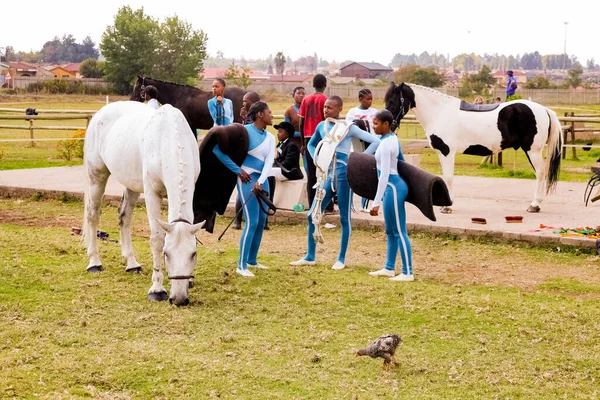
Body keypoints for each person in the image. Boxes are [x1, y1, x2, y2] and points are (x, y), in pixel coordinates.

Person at [290, 96, 380, 270]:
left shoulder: (348, 128)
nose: (326, 110)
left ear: (340, 109)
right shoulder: (320, 127)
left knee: (345, 218)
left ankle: (341, 259)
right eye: (325, 107)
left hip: (344, 175)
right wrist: (316, 156)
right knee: (313, 214)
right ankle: (310, 255)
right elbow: (311, 144)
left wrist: (358, 160)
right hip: (327, 175)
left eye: (330, 108)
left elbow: (375, 141)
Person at [213, 102, 275, 277]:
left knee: (262, 222)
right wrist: (237, 170)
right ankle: (241, 266)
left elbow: (269, 162)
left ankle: (251, 261)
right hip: (246, 180)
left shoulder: (270, 137)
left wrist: (261, 181)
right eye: (269, 112)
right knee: (252, 221)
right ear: (260, 114)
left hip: (262, 182)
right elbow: (217, 150)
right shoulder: (243, 131)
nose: (272, 115)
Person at [367, 110, 414, 281]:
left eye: (376, 124)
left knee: (400, 231)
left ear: (386, 124)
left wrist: (375, 202)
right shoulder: (389, 139)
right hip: (391, 188)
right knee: (391, 231)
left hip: (393, 187)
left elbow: (385, 174)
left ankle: (408, 272)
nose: (374, 127)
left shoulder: (387, 144)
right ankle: (389, 267)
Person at [345, 88, 379, 212]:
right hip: (357, 148)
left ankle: (365, 205)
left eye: (371, 99)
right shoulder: (352, 112)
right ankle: (350, 204)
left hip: (372, 146)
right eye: (367, 99)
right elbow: (348, 129)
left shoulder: (375, 112)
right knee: (354, 176)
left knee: (369, 176)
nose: (370, 101)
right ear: (360, 99)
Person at [298, 74, 328, 207]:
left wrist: (303, 143)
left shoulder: (306, 100)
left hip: (308, 139)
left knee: (311, 174)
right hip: (322, 140)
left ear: (313, 85)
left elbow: (301, 122)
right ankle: (326, 204)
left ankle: (312, 204)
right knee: (324, 172)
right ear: (325, 85)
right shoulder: (326, 100)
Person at [233, 91, 261, 230]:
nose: (243, 104)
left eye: (246, 101)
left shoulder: (258, 115)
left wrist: (246, 119)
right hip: (245, 157)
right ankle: (237, 220)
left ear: (254, 102)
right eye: (243, 101)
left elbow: (254, 132)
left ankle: (262, 220)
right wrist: (243, 119)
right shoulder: (247, 116)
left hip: (256, 157)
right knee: (243, 187)